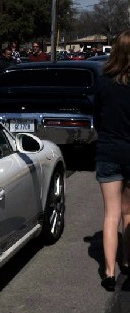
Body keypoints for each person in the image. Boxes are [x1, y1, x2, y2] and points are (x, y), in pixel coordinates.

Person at [93, 30, 130, 291]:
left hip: (108, 150)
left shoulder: (103, 82)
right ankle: (126, 261)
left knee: (111, 214)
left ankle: (108, 271)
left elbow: (97, 117)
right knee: (129, 213)